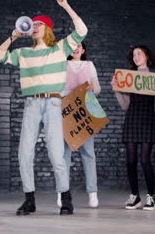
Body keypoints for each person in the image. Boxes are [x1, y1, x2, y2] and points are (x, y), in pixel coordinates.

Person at [0, 0, 87, 216]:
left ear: (48, 29)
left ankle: (66, 198)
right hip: (32, 104)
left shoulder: (60, 49)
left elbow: (82, 30)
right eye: (32, 24)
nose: (34, 27)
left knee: (56, 154)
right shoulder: (23, 54)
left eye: (39, 24)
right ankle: (29, 200)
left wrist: (65, 5)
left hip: (54, 103)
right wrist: (13, 36)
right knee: (24, 153)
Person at [112, 45, 155, 210]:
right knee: (130, 161)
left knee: (144, 160)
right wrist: (116, 90)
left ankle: (152, 197)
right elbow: (125, 106)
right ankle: (135, 196)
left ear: (147, 56)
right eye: (134, 54)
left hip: (147, 119)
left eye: (139, 53)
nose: (136, 57)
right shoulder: (129, 77)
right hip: (132, 119)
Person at [57, 42, 101, 208]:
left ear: (83, 50)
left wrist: (91, 88)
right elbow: (58, 88)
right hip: (68, 111)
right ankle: (62, 193)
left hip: (85, 112)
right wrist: (71, 94)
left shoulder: (89, 65)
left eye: (79, 46)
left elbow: (97, 87)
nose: (75, 48)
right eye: (73, 46)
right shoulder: (63, 65)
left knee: (88, 154)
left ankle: (93, 193)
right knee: (64, 156)